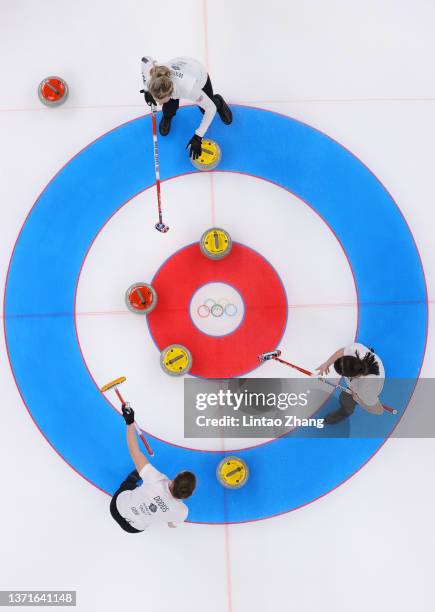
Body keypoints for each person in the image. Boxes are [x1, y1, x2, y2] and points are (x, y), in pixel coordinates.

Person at [110, 403, 196, 533]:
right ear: (187, 496)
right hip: (133, 528)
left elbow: (134, 451)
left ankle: (132, 479)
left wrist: (130, 423)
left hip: (117, 508)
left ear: (173, 481)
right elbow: (172, 525)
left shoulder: (155, 478)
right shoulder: (182, 512)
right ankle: (136, 477)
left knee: (129, 484)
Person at [140, 56, 232, 159]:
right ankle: (167, 117)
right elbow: (145, 60)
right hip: (179, 66)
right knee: (169, 108)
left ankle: (219, 101)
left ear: (170, 94)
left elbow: (211, 109)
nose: (159, 104)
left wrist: (198, 136)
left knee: (205, 108)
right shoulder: (152, 76)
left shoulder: (189, 89)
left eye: (160, 102)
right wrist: (147, 91)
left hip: (197, 73)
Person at [316, 342, 385, 424]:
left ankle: (345, 412)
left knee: (345, 397)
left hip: (367, 388)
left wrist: (359, 400)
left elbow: (379, 411)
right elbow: (342, 352)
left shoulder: (365, 389)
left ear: (350, 376)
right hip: (374, 363)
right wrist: (326, 364)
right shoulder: (355, 350)